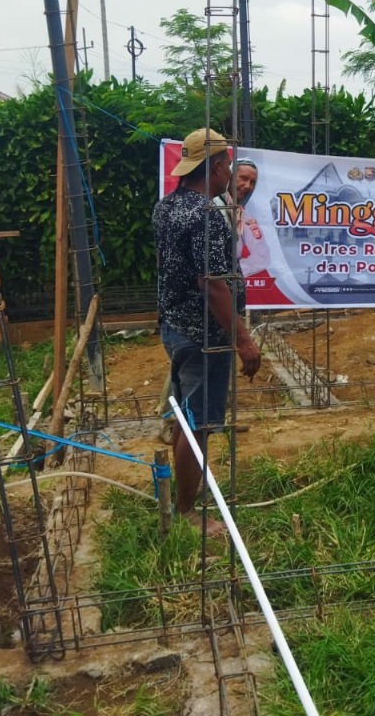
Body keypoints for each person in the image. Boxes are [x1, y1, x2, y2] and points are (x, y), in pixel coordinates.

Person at [152, 128, 261, 532]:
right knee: (199, 425)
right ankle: (185, 513)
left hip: (176, 327)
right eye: (228, 166)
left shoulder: (166, 208)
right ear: (215, 168)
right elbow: (213, 284)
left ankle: (178, 496)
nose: (231, 173)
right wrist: (243, 341)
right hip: (203, 337)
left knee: (186, 415)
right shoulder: (207, 216)